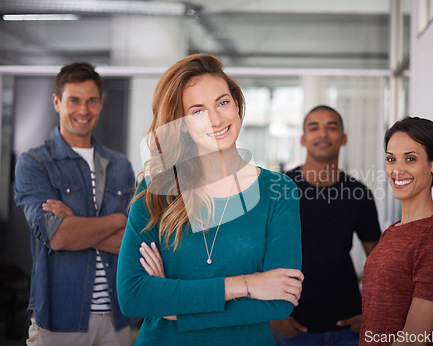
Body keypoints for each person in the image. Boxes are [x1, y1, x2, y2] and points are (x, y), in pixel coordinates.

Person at [116, 53, 303, 345]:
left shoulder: (279, 190)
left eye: (222, 102)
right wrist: (246, 285)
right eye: (197, 111)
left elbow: (281, 299)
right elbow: (134, 296)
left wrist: (175, 307)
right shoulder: (155, 192)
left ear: (237, 105)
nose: (216, 119)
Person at [14, 62, 137, 345]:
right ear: (57, 102)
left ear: (101, 103)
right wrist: (118, 221)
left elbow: (132, 243)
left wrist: (78, 226)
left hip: (118, 318)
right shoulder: (35, 163)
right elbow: (58, 236)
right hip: (60, 319)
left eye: (92, 101)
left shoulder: (120, 166)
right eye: (74, 101)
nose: (84, 110)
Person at [271, 105, 382, 346]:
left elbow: (378, 262)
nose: (322, 134)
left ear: (343, 138)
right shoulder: (279, 188)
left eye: (331, 127)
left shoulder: (358, 193)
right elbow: (255, 254)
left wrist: (374, 315)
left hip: (347, 325)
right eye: (314, 127)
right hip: (290, 325)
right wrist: (270, 317)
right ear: (303, 139)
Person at [360, 117, 433, 345]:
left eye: (410, 159)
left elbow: (412, 340)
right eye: (391, 159)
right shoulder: (395, 230)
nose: (397, 170)